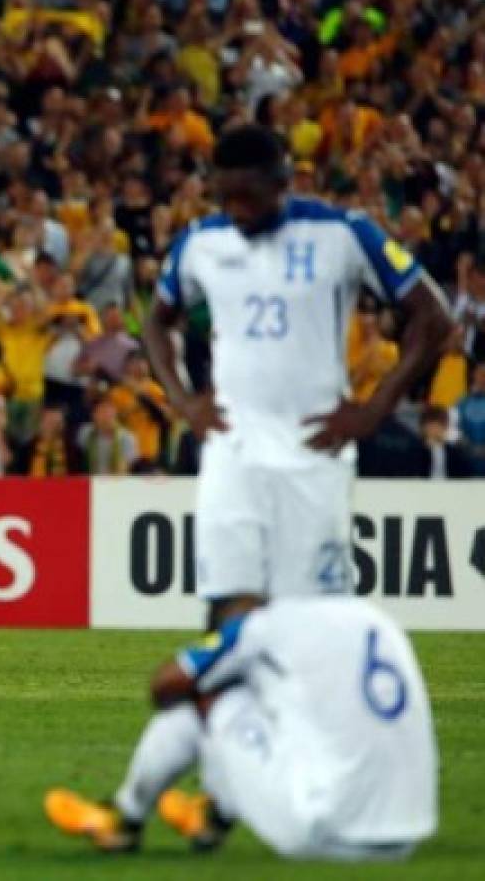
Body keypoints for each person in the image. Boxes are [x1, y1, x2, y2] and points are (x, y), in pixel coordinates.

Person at [143, 124, 451, 620]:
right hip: (233, 448)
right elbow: (156, 322)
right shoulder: (201, 241)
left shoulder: (343, 233)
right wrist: (184, 401)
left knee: (314, 616)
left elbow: (433, 316)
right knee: (227, 603)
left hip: (314, 449)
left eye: (248, 195)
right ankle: (237, 700)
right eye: (226, 198)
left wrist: (374, 410)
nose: (237, 210)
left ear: (282, 179)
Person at [45, 596, 437, 861]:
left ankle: (127, 819)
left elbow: (162, 686)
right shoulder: (370, 618)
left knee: (211, 699)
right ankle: (214, 810)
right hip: (410, 829)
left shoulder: (263, 625)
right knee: (286, 712)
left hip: (327, 829)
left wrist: (214, 671)